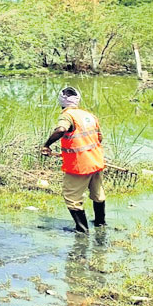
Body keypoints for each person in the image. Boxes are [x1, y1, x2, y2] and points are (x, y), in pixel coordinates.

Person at [42, 85, 107, 233]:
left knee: (72, 197)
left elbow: (61, 129)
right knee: (98, 194)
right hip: (96, 161)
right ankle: (100, 224)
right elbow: (99, 138)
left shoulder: (67, 116)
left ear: (61, 102)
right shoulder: (89, 115)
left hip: (80, 166)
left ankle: (82, 230)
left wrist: (46, 145)